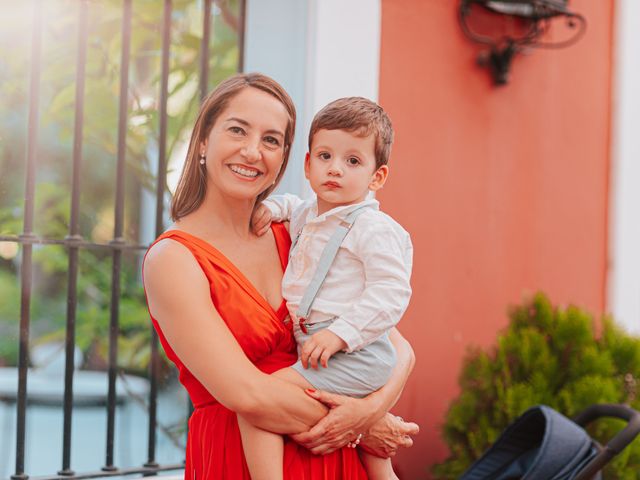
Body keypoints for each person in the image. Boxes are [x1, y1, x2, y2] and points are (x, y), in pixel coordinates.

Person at [143, 73, 419, 479]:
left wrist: (368, 412)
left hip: (334, 459)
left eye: (271, 140)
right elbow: (249, 396)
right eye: (238, 130)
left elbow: (400, 348)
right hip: (239, 458)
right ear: (203, 139)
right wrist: (362, 427)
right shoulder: (174, 259)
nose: (253, 151)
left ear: (285, 158)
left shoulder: (299, 235)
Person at [239, 97, 412, 480]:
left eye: (352, 161)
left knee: (261, 403)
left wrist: (340, 334)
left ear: (377, 177)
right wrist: (273, 208)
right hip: (323, 348)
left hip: (353, 351)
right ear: (307, 163)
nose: (335, 169)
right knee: (377, 459)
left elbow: (391, 292)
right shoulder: (308, 214)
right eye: (325, 156)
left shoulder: (374, 229)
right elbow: (292, 206)